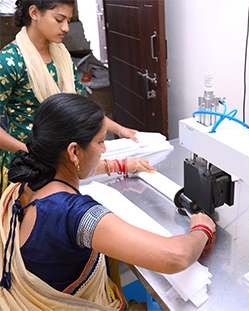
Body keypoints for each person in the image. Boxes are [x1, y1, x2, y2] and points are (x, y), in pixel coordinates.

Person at [0, 93, 216, 310]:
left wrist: (121, 165)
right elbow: (175, 257)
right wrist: (201, 229)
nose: (104, 149)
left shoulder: (26, 180)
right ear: (74, 151)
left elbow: (73, 168)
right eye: (100, 141)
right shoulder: (75, 214)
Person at [0, 0, 138, 194]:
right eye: (59, 20)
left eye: (68, 20)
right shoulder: (10, 61)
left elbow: (80, 109)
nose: (65, 28)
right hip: (27, 166)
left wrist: (121, 130)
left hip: (63, 161)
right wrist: (29, 152)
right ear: (34, 13)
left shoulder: (62, 56)